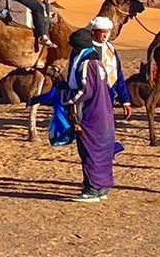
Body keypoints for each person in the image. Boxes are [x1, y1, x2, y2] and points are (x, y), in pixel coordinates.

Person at [67, 28, 120, 203]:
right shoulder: (97, 63)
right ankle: (102, 187)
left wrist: (67, 99)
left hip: (90, 113)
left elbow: (85, 90)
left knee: (90, 149)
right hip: (103, 111)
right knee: (101, 149)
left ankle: (92, 189)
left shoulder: (86, 64)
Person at [88, 16, 132, 119]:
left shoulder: (110, 48)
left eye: (107, 32)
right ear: (93, 32)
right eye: (102, 32)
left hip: (109, 95)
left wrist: (125, 101)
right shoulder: (85, 49)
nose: (105, 35)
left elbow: (118, 75)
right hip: (90, 98)